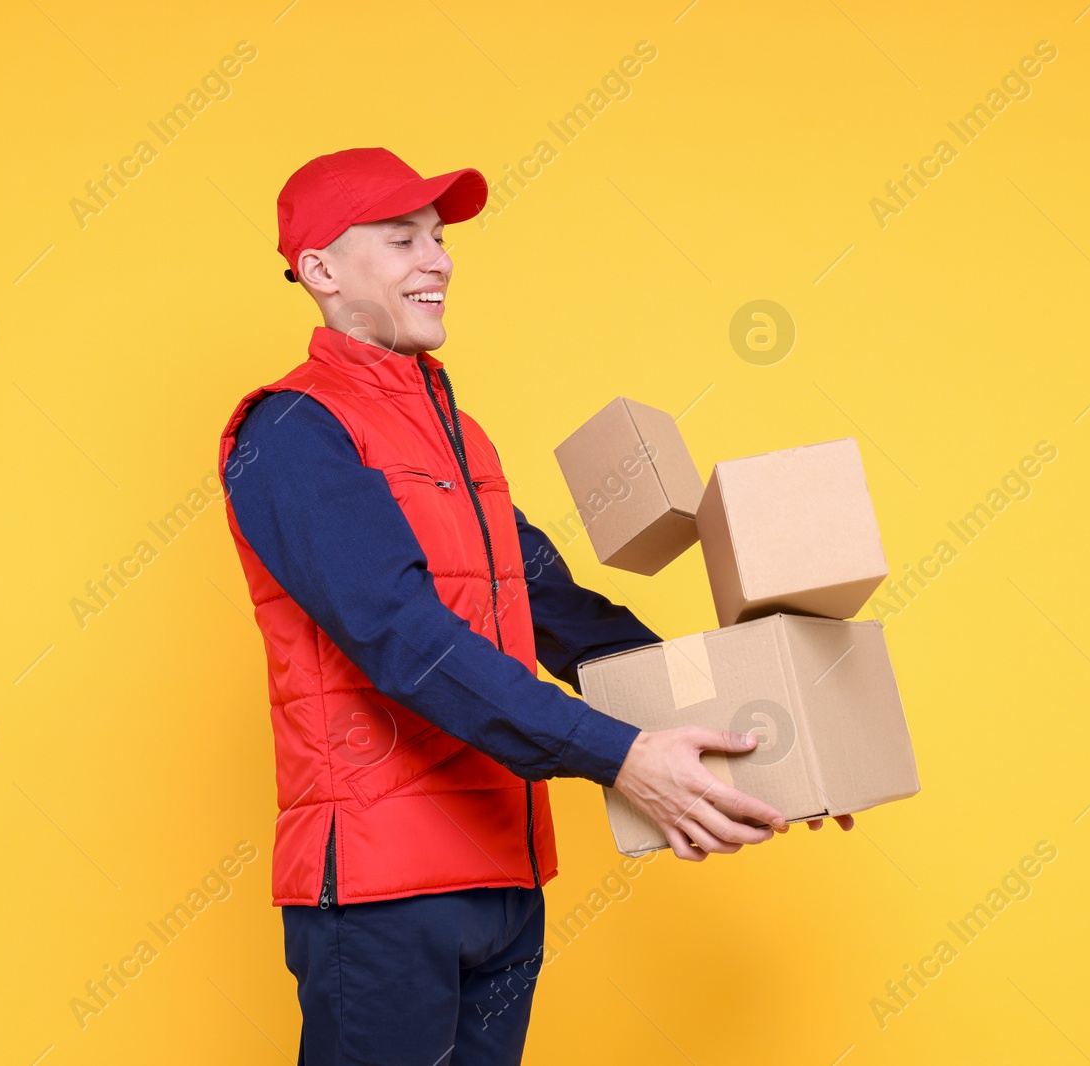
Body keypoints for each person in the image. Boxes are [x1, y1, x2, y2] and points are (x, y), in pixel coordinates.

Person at [217, 147, 850, 1066]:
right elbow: (404, 639)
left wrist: (773, 737)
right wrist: (617, 756)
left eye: (437, 239)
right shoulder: (290, 431)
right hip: (381, 886)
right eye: (402, 241)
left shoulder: (455, 433)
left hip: (501, 873)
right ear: (319, 271)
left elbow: (559, 611)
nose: (437, 260)